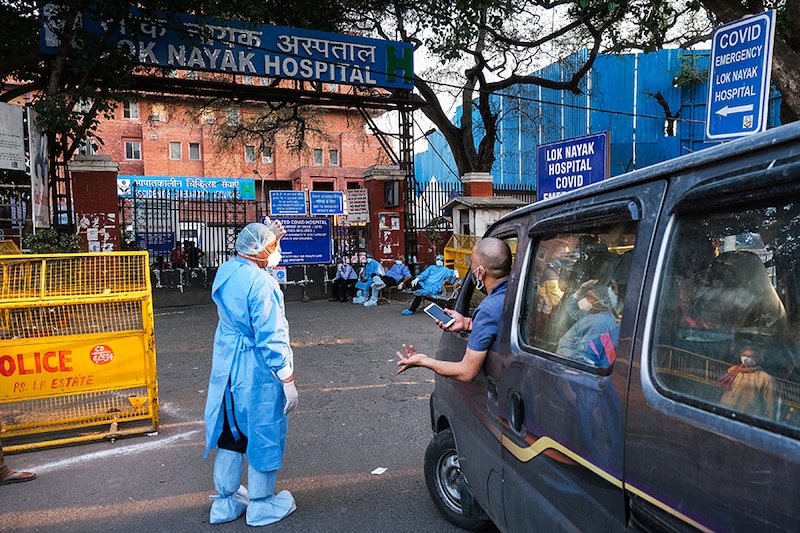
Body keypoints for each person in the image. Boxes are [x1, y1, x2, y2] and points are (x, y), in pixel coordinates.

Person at [203, 221, 298, 526]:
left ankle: (225, 502)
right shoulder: (263, 284)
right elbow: (270, 335)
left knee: (232, 432)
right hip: (257, 370)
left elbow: (252, 273)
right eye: (274, 247)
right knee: (262, 432)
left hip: (228, 367)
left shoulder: (227, 271)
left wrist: (270, 236)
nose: (277, 253)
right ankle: (261, 503)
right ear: (261, 250)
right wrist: (287, 378)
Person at [396, 238, 511, 381]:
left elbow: (466, 372)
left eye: (472, 267)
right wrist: (468, 323)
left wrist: (423, 361)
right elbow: (503, 324)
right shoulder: (518, 293)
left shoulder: (487, 309)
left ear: (480, 272)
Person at [555, 279, 620, 367]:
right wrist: (579, 292)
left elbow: (584, 360)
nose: (585, 299)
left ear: (604, 302)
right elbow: (573, 311)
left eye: (590, 297)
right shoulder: (599, 315)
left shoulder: (598, 323)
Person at [717, 346, 777, 420]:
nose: (745, 358)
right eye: (744, 355)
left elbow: (770, 407)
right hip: (725, 412)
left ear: (757, 359)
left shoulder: (766, 379)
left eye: (750, 356)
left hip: (747, 418)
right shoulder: (733, 371)